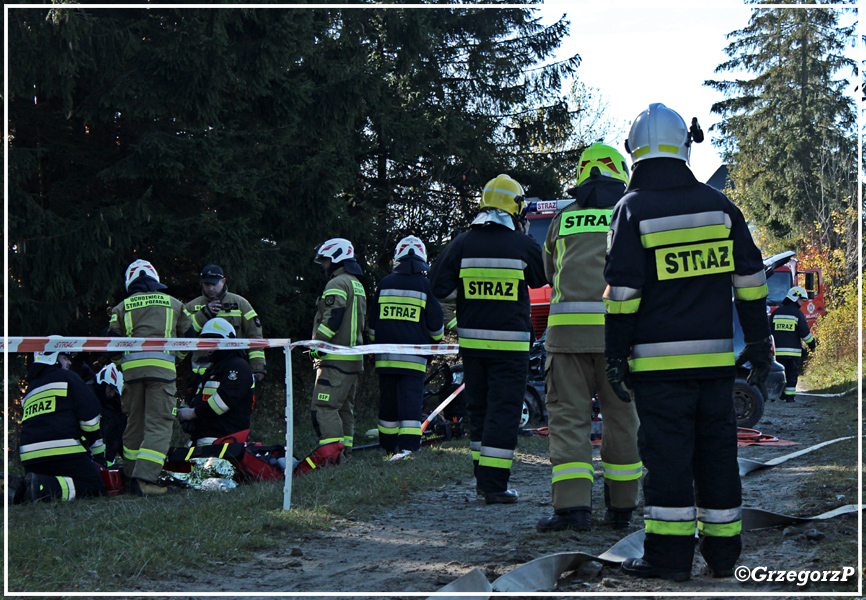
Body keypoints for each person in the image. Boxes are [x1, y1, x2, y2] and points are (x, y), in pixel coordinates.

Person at [604, 103, 772, 581]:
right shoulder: (721, 207)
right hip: (716, 368)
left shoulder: (632, 210)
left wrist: (615, 355)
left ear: (633, 151)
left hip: (658, 371)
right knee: (718, 456)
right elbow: (751, 281)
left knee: (668, 461)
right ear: (685, 146)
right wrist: (759, 344)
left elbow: (622, 296)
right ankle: (723, 558)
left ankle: (668, 559)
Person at [537, 144, 642, 532]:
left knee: (568, 419)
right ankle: (622, 510)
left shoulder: (562, 221)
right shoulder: (630, 215)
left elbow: (551, 274)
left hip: (566, 340)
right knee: (622, 419)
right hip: (620, 337)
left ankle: (572, 510)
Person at [429, 174, 546, 504]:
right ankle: (494, 486)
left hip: (473, 345)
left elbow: (437, 286)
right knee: (504, 412)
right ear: (515, 208)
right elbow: (543, 276)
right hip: (510, 347)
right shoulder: (522, 245)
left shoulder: (462, 243)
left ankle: (484, 478)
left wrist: (469, 297)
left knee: (479, 409)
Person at [107, 259, 193, 497]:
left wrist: (124, 366)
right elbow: (190, 337)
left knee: (134, 425)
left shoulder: (121, 307)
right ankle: (145, 479)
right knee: (159, 424)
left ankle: (130, 475)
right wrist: (175, 359)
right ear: (155, 279)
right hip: (162, 375)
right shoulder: (175, 304)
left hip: (132, 376)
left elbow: (112, 347)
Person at [369, 235, 444, 457]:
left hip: (386, 357)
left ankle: (388, 445)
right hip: (414, 359)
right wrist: (432, 344)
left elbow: (373, 326)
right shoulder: (425, 286)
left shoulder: (384, 283)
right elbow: (436, 327)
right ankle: (409, 447)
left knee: (388, 402)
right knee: (411, 402)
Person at [14, 341, 106, 504]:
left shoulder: (30, 389)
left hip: (30, 458)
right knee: (95, 486)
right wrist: (97, 454)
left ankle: (17, 489)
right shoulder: (68, 377)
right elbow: (91, 420)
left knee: (48, 479)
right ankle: (41, 487)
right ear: (53, 358)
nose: (69, 362)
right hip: (63, 452)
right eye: (65, 357)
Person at [310, 238, 367, 456]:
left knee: (324, 408)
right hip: (353, 358)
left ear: (335, 257)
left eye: (325, 260)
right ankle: (346, 453)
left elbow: (333, 318)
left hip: (335, 359)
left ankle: (331, 456)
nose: (324, 265)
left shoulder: (337, 283)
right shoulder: (356, 283)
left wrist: (316, 347)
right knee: (344, 408)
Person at [177, 318, 255, 444]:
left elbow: (224, 400)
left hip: (224, 442)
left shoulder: (238, 367)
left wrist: (193, 413)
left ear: (227, 341)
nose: (208, 347)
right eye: (206, 341)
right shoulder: (214, 369)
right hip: (205, 441)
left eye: (213, 341)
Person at [183, 264, 266, 381]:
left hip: (233, 366)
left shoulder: (240, 304)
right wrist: (203, 314)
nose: (211, 288)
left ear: (223, 281)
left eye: (214, 284)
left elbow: (255, 336)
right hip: (202, 369)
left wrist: (258, 367)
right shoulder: (192, 306)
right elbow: (184, 335)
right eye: (207, 284)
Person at [771, 286, 816, 402]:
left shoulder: (775, 313)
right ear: (795, 298)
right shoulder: (798, 314)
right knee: (791, 374)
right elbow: (805, 333)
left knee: (781, 375)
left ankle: (781, 393)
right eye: (801, 300)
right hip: (793, 353)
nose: (802, 303)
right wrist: (812, 345)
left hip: (778, 353)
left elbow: (768, 333)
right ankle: (790, 397)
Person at [86, 363, 127, 467]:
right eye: (111, 388)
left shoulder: (115, 404)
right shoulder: (87, 396)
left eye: (115, 391)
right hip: (88, 455)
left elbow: (118, 432)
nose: (112, 394)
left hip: (106, 458)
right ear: (103, 383)